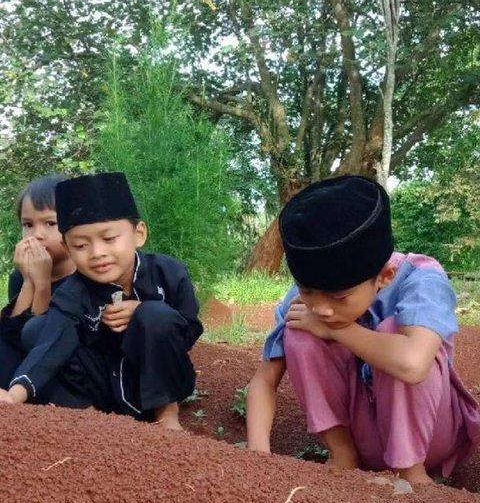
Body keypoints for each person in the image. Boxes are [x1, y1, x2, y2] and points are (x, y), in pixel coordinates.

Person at [246, 175, 480, 485]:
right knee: (300, 329)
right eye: (307, 290)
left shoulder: (421, 279)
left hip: (431, 435)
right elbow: (264, 380)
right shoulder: (314, 294)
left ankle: (410, 473)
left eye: (339, 297)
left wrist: (337, 331)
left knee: (394, 331)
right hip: (365, 434)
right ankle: (343, 456)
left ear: (385, 276)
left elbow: (412, 363)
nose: (322, 307)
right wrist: (256, 456)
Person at [0, 171, 203, 430]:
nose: (97, 253)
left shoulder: (170, 273)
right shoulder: (74, 292)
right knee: (40, 330)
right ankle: (97, 423)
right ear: (69, 246)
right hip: (103, 384)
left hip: (154, 378)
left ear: (139, 234)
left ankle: (166, 414)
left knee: (155, 315)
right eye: (82, 245)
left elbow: (190, 330)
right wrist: (16, 393)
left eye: (109, 239)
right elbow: (50, 342)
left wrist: (146, 313)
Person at [0, 175, 75, 389]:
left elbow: (41, 337)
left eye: (50, 223)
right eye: (28, 224)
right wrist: (28, 282)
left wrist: (43, 283)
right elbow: (12, 338)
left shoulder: (85, 277)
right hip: (21, 364)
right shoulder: (20, 275)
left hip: (65, 368)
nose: (37, 235)